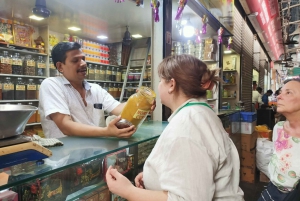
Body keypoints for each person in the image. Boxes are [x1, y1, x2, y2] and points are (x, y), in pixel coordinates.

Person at [105, 54, 244, 201]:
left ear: (171, 85)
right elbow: (195, 170)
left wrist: (128, 191)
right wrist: (156, 176)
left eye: (160, 81)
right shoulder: (200, 113)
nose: (158, 86)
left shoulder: (186, 127)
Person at [39, 42, 155, 138]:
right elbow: (65, 126)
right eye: (75, 61)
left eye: (83, 59)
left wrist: (140, 103)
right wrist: (106, 132)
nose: (83, 63)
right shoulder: (51, 85)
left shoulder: (95, 89)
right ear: (60, 67)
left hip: (95, 154)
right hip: (65, 159)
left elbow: (119, 109)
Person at [257, 78, 300, 201]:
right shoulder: (278, 128)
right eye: (281, 92)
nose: (279, 96)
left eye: (288, 92)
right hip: (273, 190)